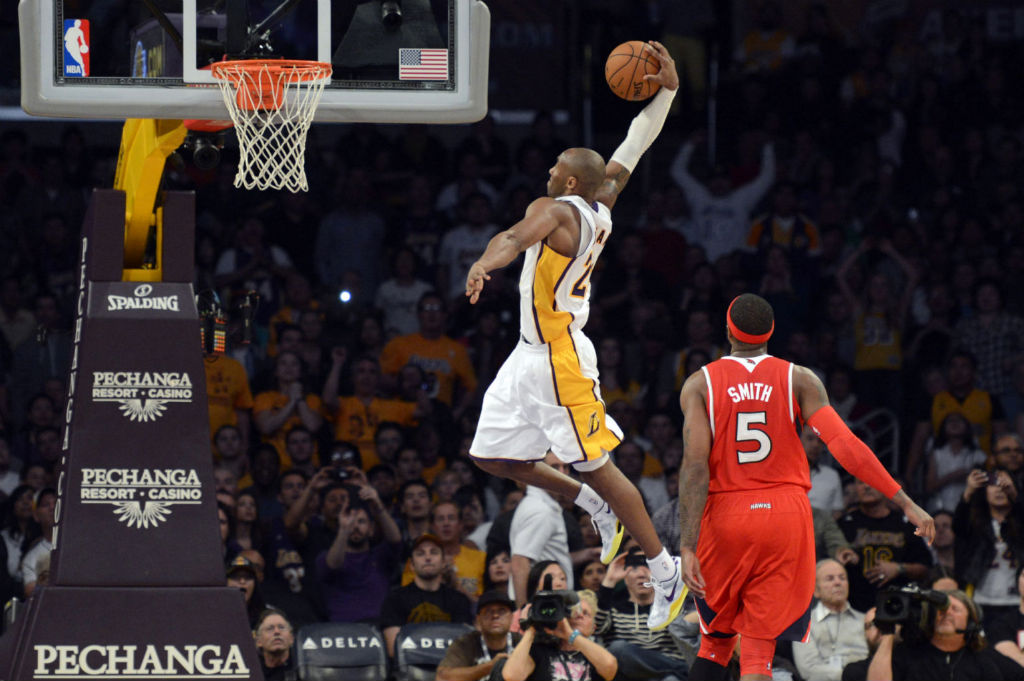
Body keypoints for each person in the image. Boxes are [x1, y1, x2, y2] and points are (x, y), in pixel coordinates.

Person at [464, 41, 686, 632]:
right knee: (491, 455)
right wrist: (667, 90)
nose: (547, 174)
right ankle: (591, 507)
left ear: (565, 179)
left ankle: (667, 571)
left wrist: (485, 263)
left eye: (553, 170)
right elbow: (635, 142)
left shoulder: (556, 207)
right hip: (529, 353)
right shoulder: (601, 200)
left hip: (558, 358)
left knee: (600, 467)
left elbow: (513, 236)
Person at [677, 293, 933, 681]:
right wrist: (905, 502)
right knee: (759, 652)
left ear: (727, 329)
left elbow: (695, 469)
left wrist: (687, 543)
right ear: (771, 332)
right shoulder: (799, 378)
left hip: (727, 515)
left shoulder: (700, 384)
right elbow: (846, 446)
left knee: (715, 642)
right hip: (785, 515)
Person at [865, 589, 1014, 680]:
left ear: (971, 621)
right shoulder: (907, 654)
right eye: (941, 609)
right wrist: (888, 634)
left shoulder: (982, 659)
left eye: (955, 609)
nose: (946, 613)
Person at [838, 480, 934, 613]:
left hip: (897, 608)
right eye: (861, 483)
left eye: (872, 481)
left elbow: (925, 568)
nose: (866, 486)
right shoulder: (844, 523)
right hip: (853, 608)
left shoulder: (904, 524)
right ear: (855, 488)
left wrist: (899, 568)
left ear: (885, 486)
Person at [595, 548, 690, 680]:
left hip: (667, 678)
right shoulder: (614, 608)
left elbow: (689, 631)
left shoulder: (672, 606)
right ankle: (685, 671)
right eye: (634, 568)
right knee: (618, 648)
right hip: (629, 676)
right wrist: (610, 580)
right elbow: (596, 629)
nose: (641, 574)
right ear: (625, 578)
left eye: (648, 567)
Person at [379, 533, 473, 656]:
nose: (427, 558)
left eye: (433, 552)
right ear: (411, 565)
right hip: (409, 671)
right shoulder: (395, 599)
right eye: (420, 553)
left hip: (450, 670)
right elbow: (394, 651)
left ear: (444, 562)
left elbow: (464, 650)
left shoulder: (459, 600)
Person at [493, 588, 618, 681]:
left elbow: (610, 667)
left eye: (586, 613)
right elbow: (511, 677)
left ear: (593, 628)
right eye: (575, 612)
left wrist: (571, 635)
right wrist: (531, 629)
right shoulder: (540, 651)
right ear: (563, 616)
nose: (580, 615)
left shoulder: (595, 655)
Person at [792, 559, 869, 681]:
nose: (838, 582)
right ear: (816, 591)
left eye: (842, 578)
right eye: (830, 579)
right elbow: (808, 670)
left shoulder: (865, 620)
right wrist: (850, 675)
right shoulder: (804, 624)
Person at [437, 590, 522, 681]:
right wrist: (490, 666)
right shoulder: (466, 643)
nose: (495, 615)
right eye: (488, 611)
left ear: (512, 618)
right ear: (478, 619)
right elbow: (442, 677)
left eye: (502, 611)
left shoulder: (522, 643)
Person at [254, 608, 296, 681]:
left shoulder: (302, 670)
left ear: (291, 638)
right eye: (270, 629)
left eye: (281, 627)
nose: (277, 632)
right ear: (258, 641)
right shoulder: (253, 671)